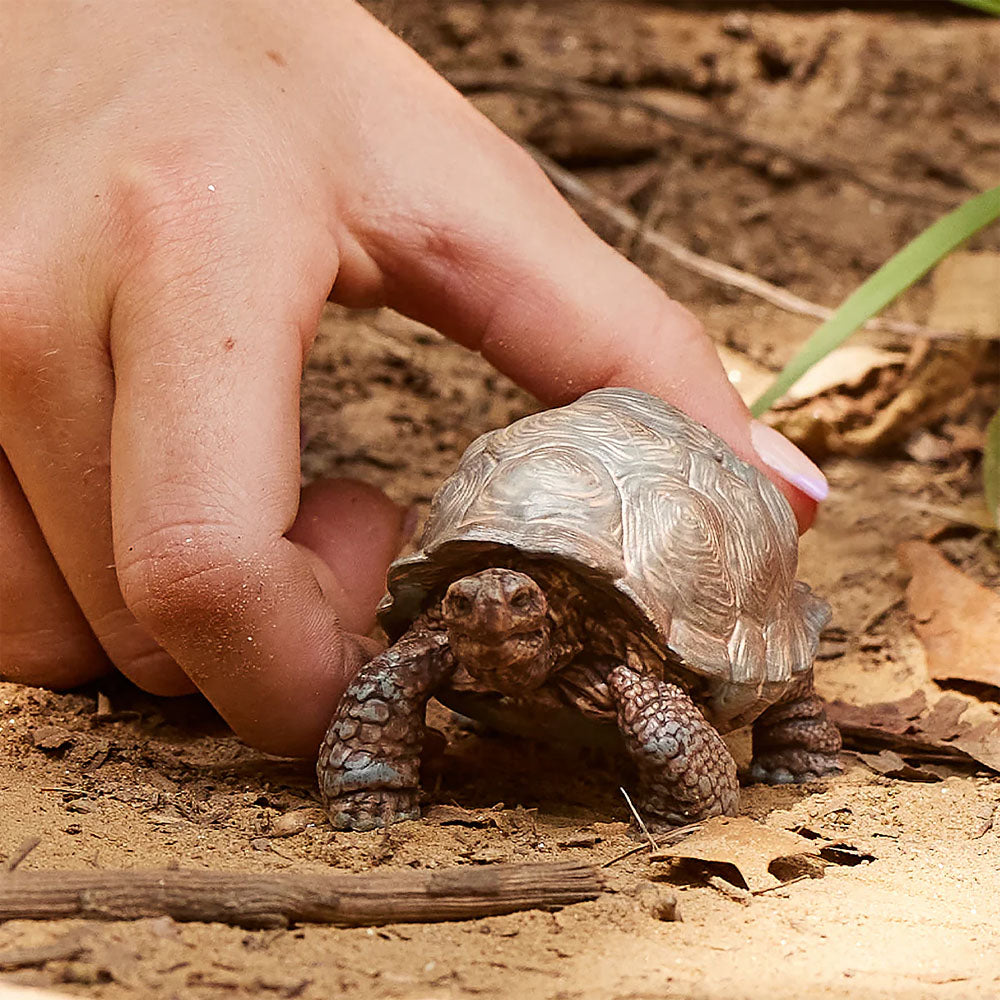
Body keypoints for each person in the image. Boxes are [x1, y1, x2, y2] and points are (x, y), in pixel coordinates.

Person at [0, 0, 828, 758]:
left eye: (509, 608)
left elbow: (670, 714)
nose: (484, 619)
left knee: (676, 719)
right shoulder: (444, 636)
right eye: (465, 604)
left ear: (549, 616)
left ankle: (797, 734)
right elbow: (391, 673)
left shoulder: (630, 669)